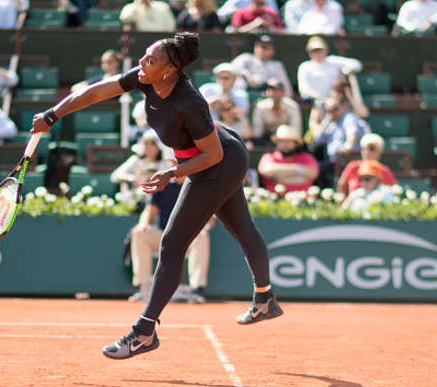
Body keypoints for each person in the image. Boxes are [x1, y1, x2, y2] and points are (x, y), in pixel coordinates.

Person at [31, 32, 282, 360]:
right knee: (240, 229)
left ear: (168, 71)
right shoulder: (145, 78)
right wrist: (53, 114)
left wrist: (172, 173)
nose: (141, 62)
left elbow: (212, 156)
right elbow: (96, 92)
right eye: (144, 56)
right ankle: (265, 299)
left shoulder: (189, 103)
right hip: (217, 153)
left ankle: (144, 331)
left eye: (150, 59)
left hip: (218, 161)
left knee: (172, 243)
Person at [128, 173, 214, 304]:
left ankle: (197, 290)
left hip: (189, 236)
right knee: (139, 233)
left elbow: (210, 216)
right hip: (165, 236)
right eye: (173, 161)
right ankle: (142, 288)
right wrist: (144, 223)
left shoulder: (198, 186)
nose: (176, 163)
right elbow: (150, 210)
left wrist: (204, 227)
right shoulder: (163, 184)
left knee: (202, 237)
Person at [310, 96, 368, 188]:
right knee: (314, 169)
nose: (333, 112)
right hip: (335, 162)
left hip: (349, 159)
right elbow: (317, 140)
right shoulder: (330, 122)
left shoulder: (348, 118)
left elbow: (352, 133)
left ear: (343, 106)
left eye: (335, 109)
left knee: (319, 169)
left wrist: (348, 145)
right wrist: (326, 121)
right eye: (329, 110)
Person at [111, 129, 174, 207]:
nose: (148, 146)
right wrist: (134, 178)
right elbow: (115, 176)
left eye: (152, 143)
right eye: (146, 143)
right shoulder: (135, 160)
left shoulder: (165, 163)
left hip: (159, 200)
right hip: (137, 199)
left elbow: (172, 180)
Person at [297, 36, 362, 104]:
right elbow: (303, 90)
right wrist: (318, 97)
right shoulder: (304, 66)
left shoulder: (332, 61)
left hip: (334, 100)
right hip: (313, 101)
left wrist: (345, 72)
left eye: (319, 50)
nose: (317, 53)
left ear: (325, 50)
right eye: (314, 50)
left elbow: (357, 64)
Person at [258, 124, 318, 194]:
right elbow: (266, 170)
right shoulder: (269, 157)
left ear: (296, 143)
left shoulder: (306, 157)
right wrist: (300, 172)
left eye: (289, 141)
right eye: (282, 141)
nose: (285, 144)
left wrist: (277, 178)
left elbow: (313, 173)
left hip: (305, 200)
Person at [337, 133, 397, 197]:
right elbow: (341, 187)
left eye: (371, 148)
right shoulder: (352, 166)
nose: (366, 151)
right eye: (363, 148)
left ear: (379, 152)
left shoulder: (384, 171)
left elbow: (394, 191)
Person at [251, 78, 302, 147]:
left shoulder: (292, 106)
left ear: (283, 92)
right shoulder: (261, 107)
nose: (273, 93)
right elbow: (257, 132)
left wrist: (282, 137)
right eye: (271, 90)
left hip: (288, 138)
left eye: (277, 90)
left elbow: (296, 129)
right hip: (267, 140)